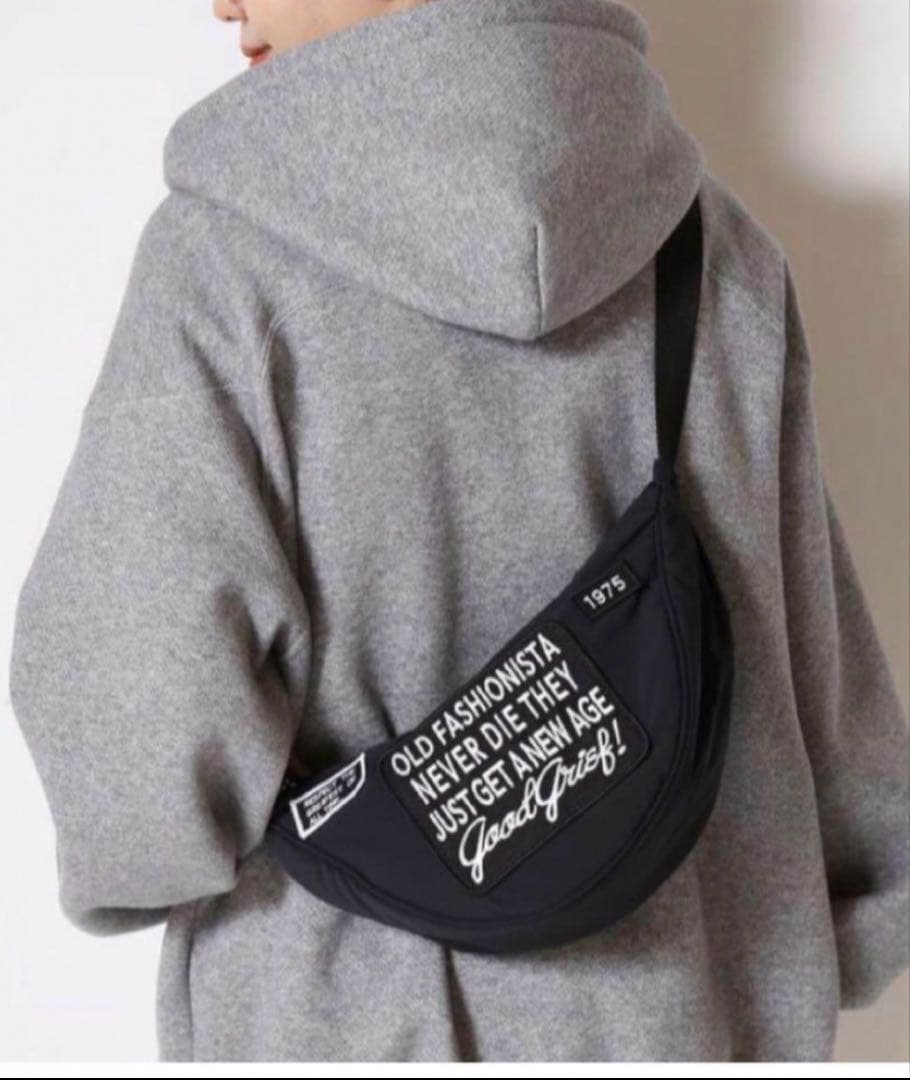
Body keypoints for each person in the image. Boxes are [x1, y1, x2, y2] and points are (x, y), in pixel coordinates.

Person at [8, 0, 909, 1063]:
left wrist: (150, 852)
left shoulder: (223, 269)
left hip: (340, 1024)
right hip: (693, 1021)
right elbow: (828, 725)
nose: (223, 1)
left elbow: (131, 760)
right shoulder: (722, 259)